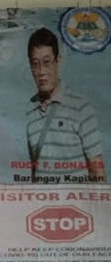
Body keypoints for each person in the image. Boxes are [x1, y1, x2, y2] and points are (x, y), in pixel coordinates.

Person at [26, 27, 105, 183]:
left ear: (58, 62)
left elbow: (97, 170)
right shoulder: (30, 110)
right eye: (35, 64)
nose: (41, 71)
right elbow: (35, 169)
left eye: (47, 62)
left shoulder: (81, 107)